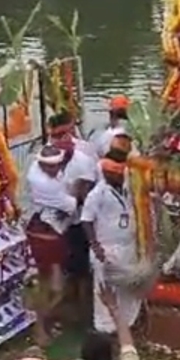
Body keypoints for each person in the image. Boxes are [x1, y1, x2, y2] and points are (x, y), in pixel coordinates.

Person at [81, 149, 142, 334]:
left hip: (128, 248)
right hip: (106, 249)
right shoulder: (97, 193)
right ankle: (105, 328)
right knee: (105, 289)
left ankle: (127, 323)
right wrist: (95, 245)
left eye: (116, 173)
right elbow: (86, 220)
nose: (112, 176)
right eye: (108, 173)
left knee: (127, 287)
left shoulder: (130, 187)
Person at [49, 112, 100, 324]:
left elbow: (86, 192)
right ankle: (70, 309)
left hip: (80, 221)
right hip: (59, 222)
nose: (56, 139)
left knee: (82, 270)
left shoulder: (84, 154)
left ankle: (86, 315)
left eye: (61, 134)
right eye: (53, 135)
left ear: (70, 129)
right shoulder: (49, 152)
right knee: (65, 267)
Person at [25, 145, 78, 337]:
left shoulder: (36, 169)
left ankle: (45, 320)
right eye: (49, 166)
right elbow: (72, 206)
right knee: (50, 285)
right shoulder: (46, 185)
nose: (55, 169)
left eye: (57, 165)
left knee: (54, 284)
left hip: (51, 231)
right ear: (41, 164)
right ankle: (40, 325)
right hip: (45, 236)